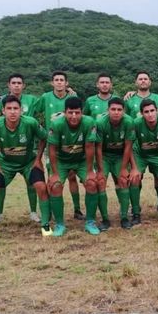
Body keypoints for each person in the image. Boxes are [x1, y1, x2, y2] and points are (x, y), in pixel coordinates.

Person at [0, 95, 50, 242]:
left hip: (28, 162)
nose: (12, 112)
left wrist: (38, 159)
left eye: (16, 108)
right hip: (5, 164)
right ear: (3, 111)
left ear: (21, 110)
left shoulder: (30, 123)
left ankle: (45, 225)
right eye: (9, 109)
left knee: (41, 186)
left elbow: (44, 137)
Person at [33, 70, 84, 221]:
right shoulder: (45, 97)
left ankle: (77, 210)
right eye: (57, 80)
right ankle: (50, 211)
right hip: (53, 144)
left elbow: (81, 115)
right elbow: (33, 112)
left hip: (73, 144)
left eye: (62, 80)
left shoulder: (73, 97)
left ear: (66, 83)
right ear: (52, 82)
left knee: (72, 177)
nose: (59, 82)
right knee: (53, 178)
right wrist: (40, 129)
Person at [0, 73, 39, 225]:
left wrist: (71, 94)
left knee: (31, 181)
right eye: (14, 83)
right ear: (9, 85)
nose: (17, 85)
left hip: (27, 147)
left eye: (19, 83)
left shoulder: (32, 100)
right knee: (0, 181)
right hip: (6, 146)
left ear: (23, 85)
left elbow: (48, 103)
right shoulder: (1, 101)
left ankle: (33, 212)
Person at [47, 97, 100, 235]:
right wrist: (55, 173)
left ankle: (90, 221)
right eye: (70, 112)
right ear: (65, 112)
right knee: (56, 185)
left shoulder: (89, 122)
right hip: (61, 160)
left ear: (82, 112)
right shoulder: (56, 124)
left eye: (77, 112)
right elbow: (51, 149)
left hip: (81, 160)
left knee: (92, 183)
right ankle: (59, 224)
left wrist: (89, 171)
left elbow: (89, 147)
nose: (74, 116)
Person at [125, 71, 158, 214]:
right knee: (137, 176)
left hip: (156, 144)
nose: (143, 81)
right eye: (140, 79)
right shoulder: (129, 99)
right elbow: (125, 119)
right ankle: (135, 207)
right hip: (139, 145)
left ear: (150, 82)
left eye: (145, 79)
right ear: (136, 82)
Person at [94, 97, 136, 230]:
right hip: (105, 156)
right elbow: (98, 148)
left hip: (120, 156)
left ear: (123, 111)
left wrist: (124, 168)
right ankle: (105, 219)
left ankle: (124, 217)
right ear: (108, 110)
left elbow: (128, 146)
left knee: (123, 180)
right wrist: (100, 169)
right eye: (113, 109)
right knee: (100, 182)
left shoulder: (129, 122)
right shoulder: (100, 122)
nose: (116, 112)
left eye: (119, 109)